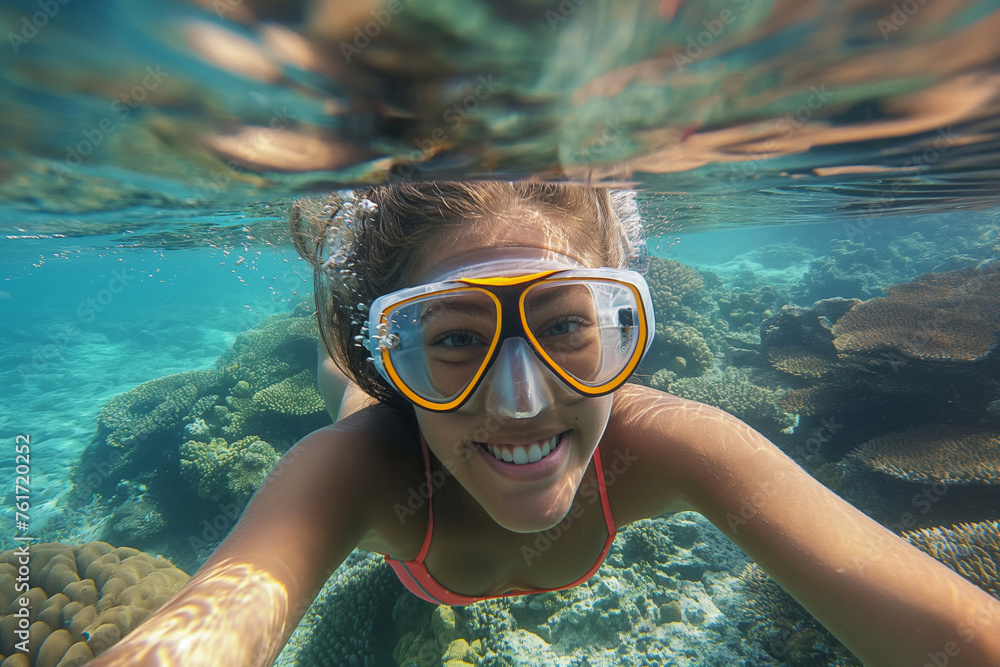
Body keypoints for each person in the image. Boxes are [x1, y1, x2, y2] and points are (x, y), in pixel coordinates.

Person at [92, 182, 1000, 666]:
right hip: (383, 414)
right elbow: (212, 625)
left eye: (567, 324)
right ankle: (337, 348)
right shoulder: (351, 472)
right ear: (397, 344)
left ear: (624, 324)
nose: (522, 399)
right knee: (349, 391)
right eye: (451, 336)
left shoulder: (680, 443)